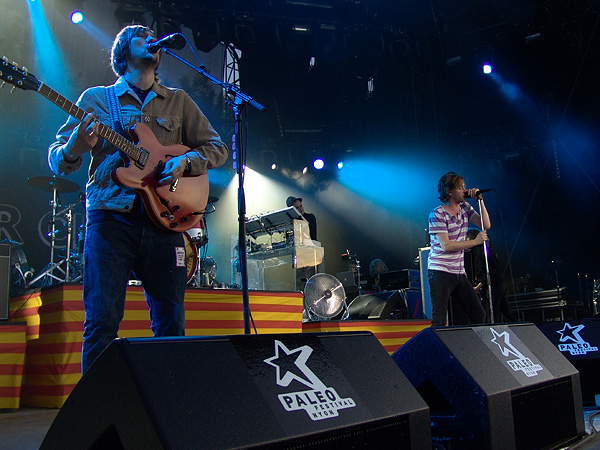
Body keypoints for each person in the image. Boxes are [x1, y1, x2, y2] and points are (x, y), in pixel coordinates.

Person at [48, 25, 229, 373]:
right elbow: (57, 157)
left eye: (153, 36)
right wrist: (74, 147)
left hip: (165, 222)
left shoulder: (178, 101)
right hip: (111, 219)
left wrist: (185, 161)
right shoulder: (97, 99)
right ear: (123, 52)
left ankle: (168, 412)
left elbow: (217, 148)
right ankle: (97, 416)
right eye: (141, 35)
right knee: (101, 323)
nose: (151, 38)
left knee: (171, 325)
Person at [427, 172, 489, 327]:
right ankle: (437, 350)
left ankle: (472, 349)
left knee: (478, 314)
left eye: (464, 187)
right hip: (440, 271)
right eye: (460, 188)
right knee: (440, 318)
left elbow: (485, 225)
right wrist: (474, 242)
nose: (464, 190)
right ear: (450, 191)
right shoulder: (437, 214)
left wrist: (480, 201)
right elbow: (446, 246)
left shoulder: (465, 207)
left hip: (459, 273)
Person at [466, 229, 518, 323]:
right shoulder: (486, 249)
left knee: (492, 313)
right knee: (506, 312)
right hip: (499, 284)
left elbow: (485, 272)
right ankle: (518, 326)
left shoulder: (479, 252)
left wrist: (477, 287)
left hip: (493, 286)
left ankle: (495, 332)